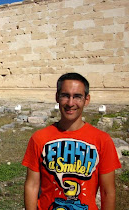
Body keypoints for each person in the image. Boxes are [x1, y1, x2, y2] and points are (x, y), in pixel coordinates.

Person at [22, 72, 121, 210]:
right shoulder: (39, 138)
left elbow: (107, 192)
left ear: (87, 100)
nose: (70, 103)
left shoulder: (102, 140)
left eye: (77, 97)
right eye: (65, 95)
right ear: (57, 97)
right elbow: (32, 185)